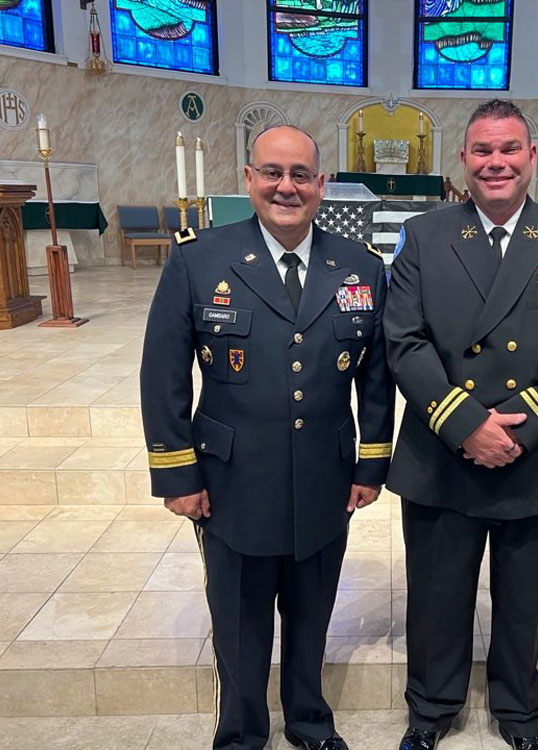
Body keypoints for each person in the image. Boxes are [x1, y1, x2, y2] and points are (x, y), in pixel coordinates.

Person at [140, 124, 394, 750]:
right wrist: (177, 474)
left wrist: (371, 464)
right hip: (231, 481)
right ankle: (242, 733)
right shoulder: (199, 259)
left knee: (311, 616)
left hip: (325, 477)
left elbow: (379, 375)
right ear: (249, 179)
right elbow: (163, 372)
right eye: (273, 173)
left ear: (321, 184)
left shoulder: (359, 266)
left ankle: (309, 721)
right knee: (241, 621)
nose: (287, 187)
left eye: (301, 174)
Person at [384, 99, 538, 750]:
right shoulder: (424, 236)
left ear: (532, 157)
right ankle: (431, 710)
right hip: (442, 449)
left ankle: (518, 712)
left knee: (523, 601)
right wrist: (464, 423)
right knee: (436, 598)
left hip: (533, 455)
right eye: (482, 150)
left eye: (509, 149)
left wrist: (521, 428)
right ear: (463, 159)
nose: (496, 163)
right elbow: (403, 339)